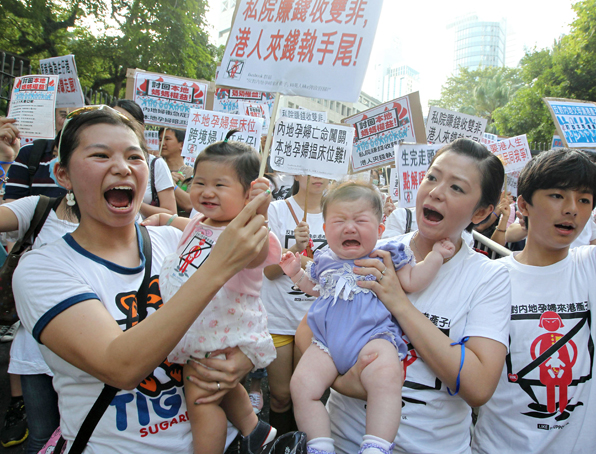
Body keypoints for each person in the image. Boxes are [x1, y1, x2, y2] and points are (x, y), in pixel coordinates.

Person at [11, 106, 270, 453]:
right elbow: (120, 366)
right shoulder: (44, 269)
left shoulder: (175, 242)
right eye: (100, 155)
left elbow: (236, 311)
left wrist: (240, 361)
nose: (122, 167)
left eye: (135, 156)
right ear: (64, 175)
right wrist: (217, 267)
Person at [295, 138, 511, 454]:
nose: (436, 191)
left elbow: (478, 386)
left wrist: (397, 301)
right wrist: (347, 382)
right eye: (433, 177)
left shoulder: (489, 277)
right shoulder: (372, 248)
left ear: (481, 212)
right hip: (344, 440)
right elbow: (307, 332)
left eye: (457, 188)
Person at [280, 182, 455, 454]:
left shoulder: (386, 256)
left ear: (380, 229)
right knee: (301, 385)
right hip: (326, 342)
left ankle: (377, 444)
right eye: (339, 221)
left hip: (373, 337)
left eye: (360, 220)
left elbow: (413, 279)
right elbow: (316, 289)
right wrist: (295, 274)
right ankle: (319, 445)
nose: (349, 228)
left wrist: (434, 258)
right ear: (325, 229)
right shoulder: (325, 259)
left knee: (386, 378)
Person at [142, 131, 279, 454]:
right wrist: (162, 217)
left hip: (222, 327)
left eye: (220, 185)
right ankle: (254, 429)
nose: (206, 192)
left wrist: (259, 213)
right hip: (201, 326)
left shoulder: (246, 232)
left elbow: (257, 255)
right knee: (218, 386)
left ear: (248, 195)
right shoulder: (199, 220)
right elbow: (182, 224)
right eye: (199, 182)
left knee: (200, 397)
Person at [472, 149, 596, 454]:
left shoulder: (589, 267)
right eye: (557, 196)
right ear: (524, 204)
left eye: (584, 199)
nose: (572, 210)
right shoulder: (487, 278)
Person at [261, 176, 329, 435]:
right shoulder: (276, 210)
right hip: (277, 318)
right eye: (309, 170)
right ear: (297, 173)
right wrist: (295, 249)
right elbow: (267, 272)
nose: (317, 177)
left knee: (305, 395)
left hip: (314, 320)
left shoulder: (335, 211)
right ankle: (281, 445)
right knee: (279, 396)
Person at [111, 100, 177, 219]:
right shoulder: (96, 162)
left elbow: (171, 214)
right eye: (112, 121)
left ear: (141, 128)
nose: (118, 127)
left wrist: (134, 203)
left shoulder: (155, 164)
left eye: (126, 122)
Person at [158, 128, 194, 216]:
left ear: (182, 144)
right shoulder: (154, 170)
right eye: (160, 139)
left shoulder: (192, 173)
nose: (162, 143)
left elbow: (189, 204)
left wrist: (170, 182)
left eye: (167, 139)